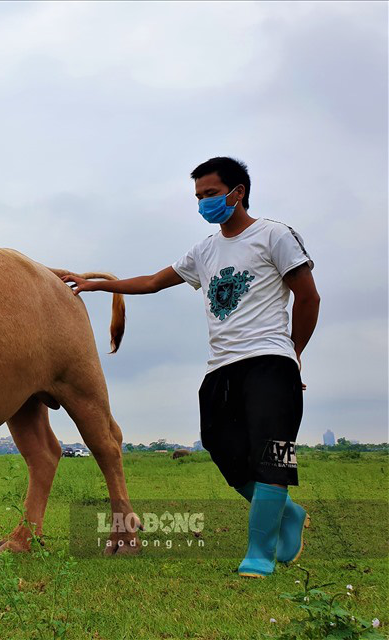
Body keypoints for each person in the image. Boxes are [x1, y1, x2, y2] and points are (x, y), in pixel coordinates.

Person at [64, 157, 320, 578]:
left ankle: (259, 553)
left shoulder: (275, 235)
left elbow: (309, 299)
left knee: (270, 457)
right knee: (223, 450)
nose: (204, 203)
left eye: (212, 195)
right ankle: (287, 513)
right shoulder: (205, 249)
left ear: (237, 194)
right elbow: (153, 281)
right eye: (199, 197)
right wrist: (97, 284)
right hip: (221, 367)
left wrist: (293, 354)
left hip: (271, 361)